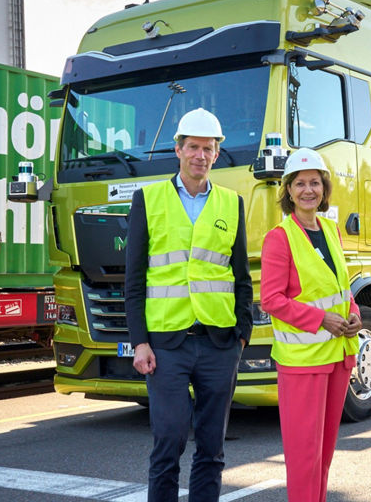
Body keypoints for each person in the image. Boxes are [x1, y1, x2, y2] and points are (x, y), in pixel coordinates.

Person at [123, 108, 253, 502]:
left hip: (218, 343)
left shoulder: (232, 204)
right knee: (169, 441)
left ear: (217, 154)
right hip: (166, 345)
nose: (200, 155)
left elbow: (242, 275)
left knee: (212, 449)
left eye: (208, 148)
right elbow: (134, 280)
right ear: (178, 150)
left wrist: (241, 336)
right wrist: (139, 341)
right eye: (192, 147)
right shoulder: (148, 199)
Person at [259, 148, 362, 502]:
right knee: (304, 459)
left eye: (315, 183)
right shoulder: (279, 237)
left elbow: (340, 287)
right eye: (300, 183)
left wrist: (353, 314)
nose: (308, 190)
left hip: (337, 356)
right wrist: (322, 319)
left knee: (323, 457)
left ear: (324, 188)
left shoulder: (331, 230)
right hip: (303, 363)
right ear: (288, 190)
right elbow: (271, 300)